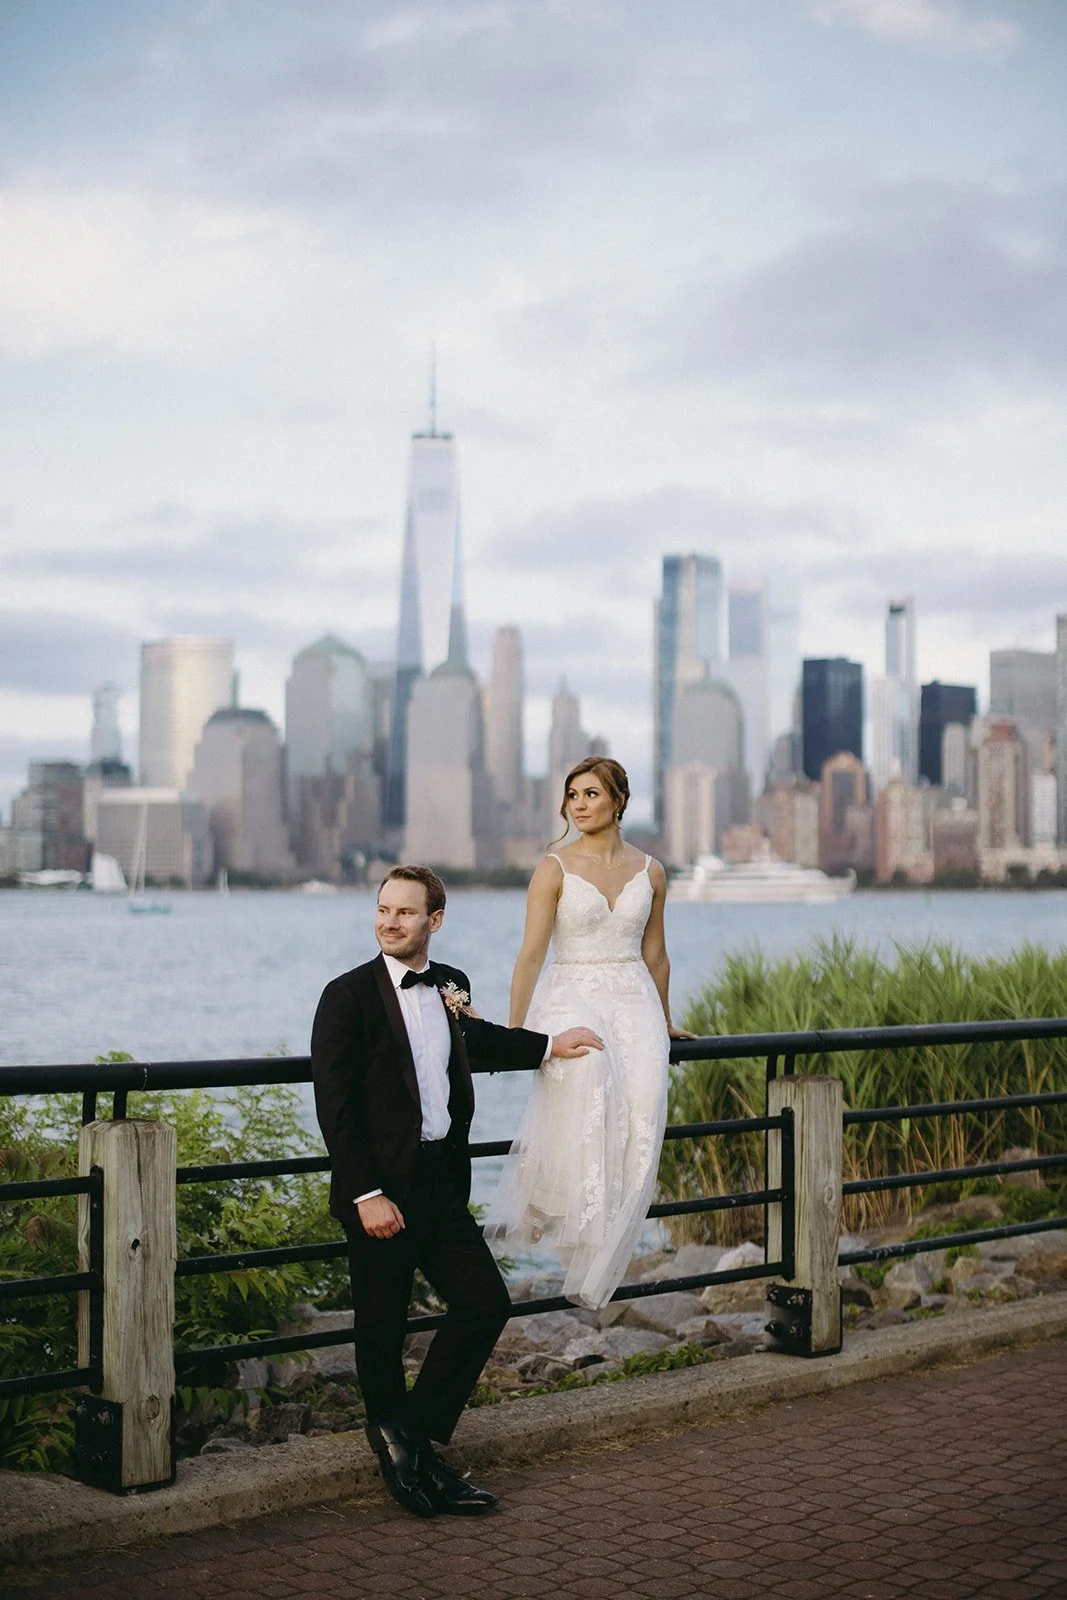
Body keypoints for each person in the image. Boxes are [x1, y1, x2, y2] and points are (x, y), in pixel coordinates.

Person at [311, 864, 603, 1519]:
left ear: (433, 921)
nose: (390, 921)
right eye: (383, 909)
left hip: (441, 1186)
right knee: (381, 1329)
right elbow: (336, 1106)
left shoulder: (451, 985)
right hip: (380, 1193)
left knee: (483, 1303)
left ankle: (406, 1437)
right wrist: (365, 1194)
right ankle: (411, 1462)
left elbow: (476, 1037)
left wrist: (553, 1043)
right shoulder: (345, 996)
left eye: (405, 913)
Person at [487, 757, 692, 1310]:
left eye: (591, 793)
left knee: (647, 1104)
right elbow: (530, 954)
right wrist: (514, 1033)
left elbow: (656, 955)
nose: (578, 804)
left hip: (635, 998)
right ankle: (554, 1209)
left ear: (618, 801)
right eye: (572, 795)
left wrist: (666, 1022)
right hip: (568, 990)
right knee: (590, 1070)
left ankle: (607, 1249)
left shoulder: (651, 871)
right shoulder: (552, 868)